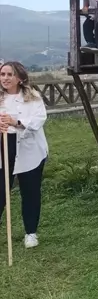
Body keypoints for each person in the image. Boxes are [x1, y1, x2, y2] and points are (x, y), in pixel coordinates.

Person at [0, 62, 48, 248]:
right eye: (2, 74)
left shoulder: (33, 98)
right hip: (4, 146)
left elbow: (38, 120)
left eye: (9, 74)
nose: (5, 78)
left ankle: (31, 233)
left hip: (29, 149)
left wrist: (16, 122)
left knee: (30, 191)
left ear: (19, 78)